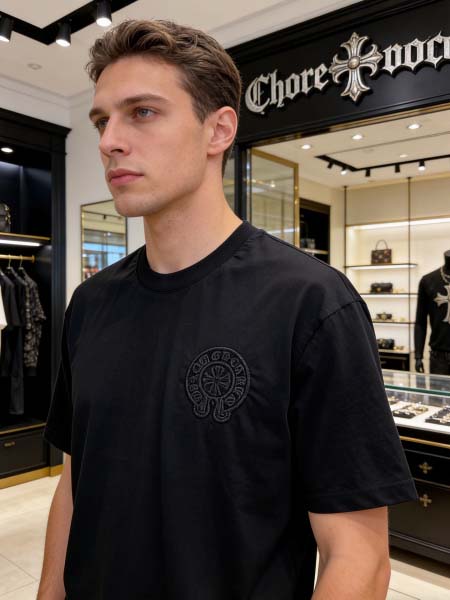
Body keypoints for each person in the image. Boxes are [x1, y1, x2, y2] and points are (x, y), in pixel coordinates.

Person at [38, 19, 417, 600]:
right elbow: (74, 480)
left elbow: (359, 559)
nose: (109, 140)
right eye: (101, 120)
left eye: (142, 112)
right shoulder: (90, 304)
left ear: (218, 130)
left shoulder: (312, 304)